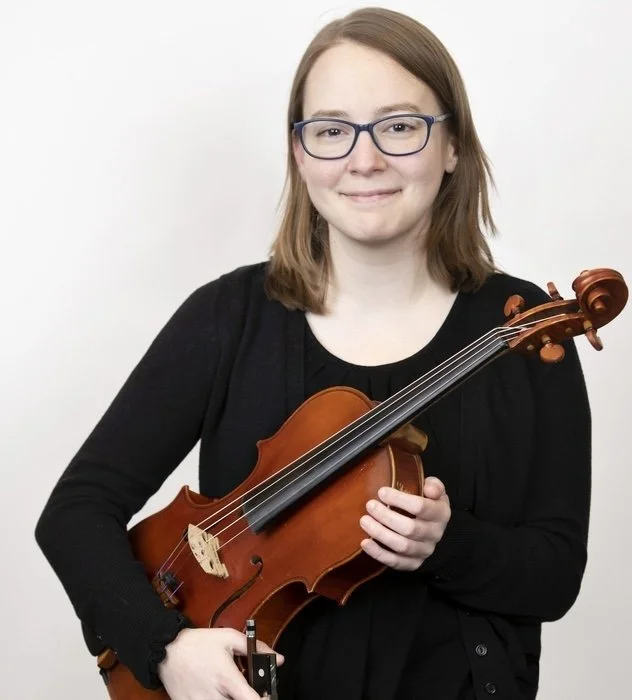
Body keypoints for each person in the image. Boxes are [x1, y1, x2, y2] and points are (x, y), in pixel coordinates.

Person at [35, 7, 591, 700]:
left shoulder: (523, 330)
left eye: (399, 126)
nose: (364, 159)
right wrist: (163, 646)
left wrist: (445, 546)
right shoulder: (229, 318)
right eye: (331, 130)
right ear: (299, 154)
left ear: (452, 145)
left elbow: (555, 576)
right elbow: (76, 511)